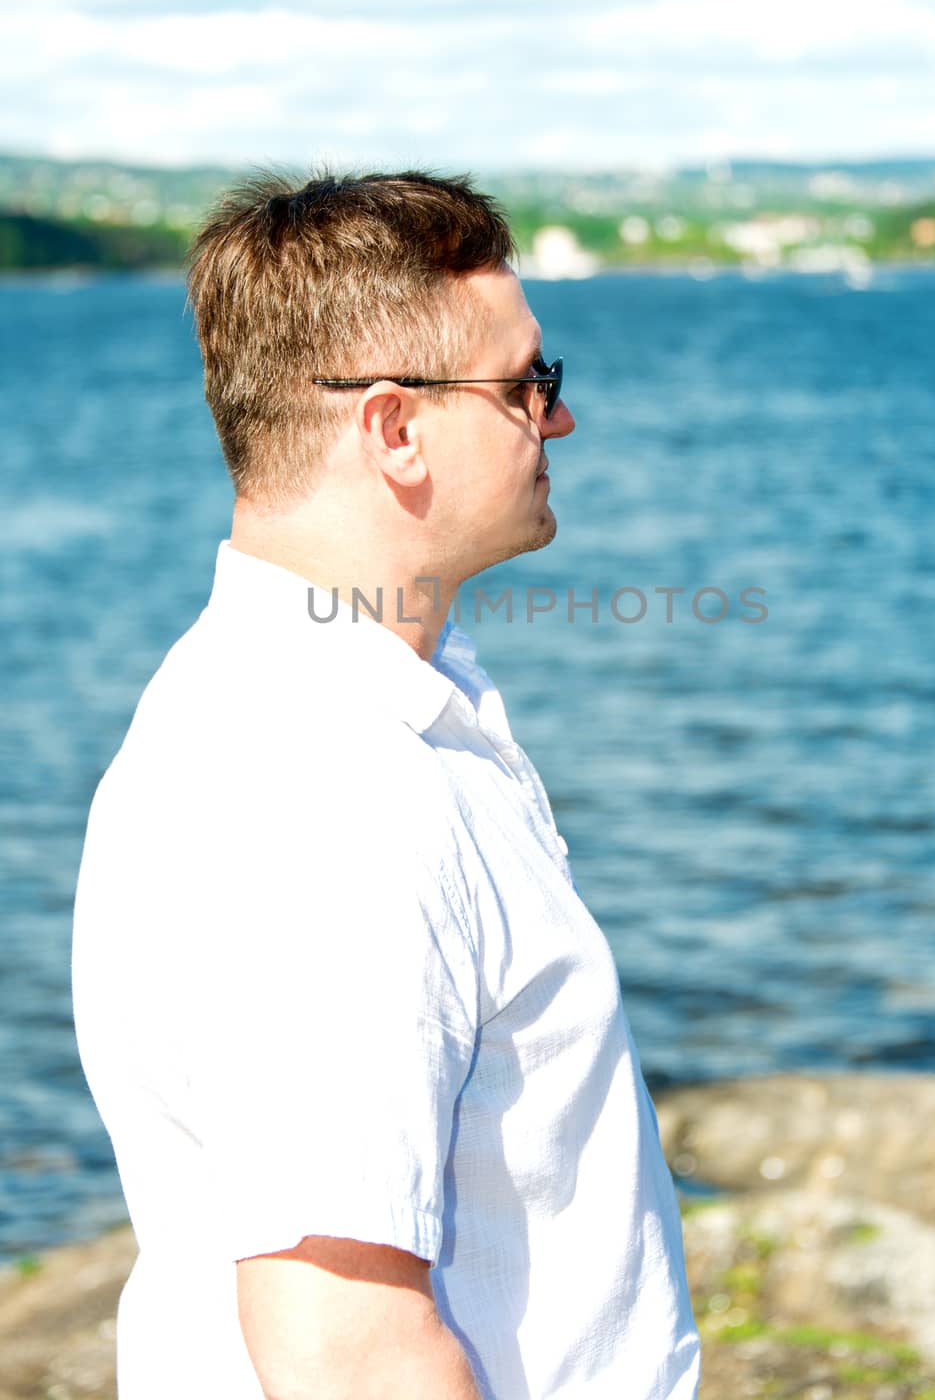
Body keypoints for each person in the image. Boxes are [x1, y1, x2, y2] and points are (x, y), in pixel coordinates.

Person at [72, 171, 701, 1399]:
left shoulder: (291, 702)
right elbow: (347, 1345)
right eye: (529, 385)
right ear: (395, 427)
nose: (557, 420)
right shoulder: (331, 793)